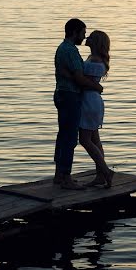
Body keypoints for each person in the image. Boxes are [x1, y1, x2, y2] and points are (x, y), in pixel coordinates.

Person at [53, 18, 102, 190]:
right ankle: (66, 177)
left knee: (63, 135)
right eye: (82, 33)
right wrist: (97, 86)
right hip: (70, 96)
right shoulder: (71, 51)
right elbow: (79, 78)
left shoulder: (62, 48)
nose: (84, 36)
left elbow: (71, 74)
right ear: (74, 33)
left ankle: (59, 174)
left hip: (62, 94)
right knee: (69, 138)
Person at [79, 30, 114, 187]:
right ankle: (100, 175)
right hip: (92, 100)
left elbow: (81, 79)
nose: (87, 38)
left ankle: (105, 171)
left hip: (89, 101)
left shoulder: (94, 61)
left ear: (96, 42)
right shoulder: (94, 59)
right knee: (95, 139)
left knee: (85, 140)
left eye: (91, 37)